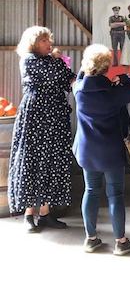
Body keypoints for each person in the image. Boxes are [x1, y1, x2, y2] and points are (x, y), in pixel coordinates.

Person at [73, 44, 130, 255]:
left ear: (87, 66)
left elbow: (79, 77)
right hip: (112, 152)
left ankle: (91, 238)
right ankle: (121, 242)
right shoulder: (114, 93)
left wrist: (87, 69)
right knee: (116, 195)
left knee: (91, 191)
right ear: (107, 67)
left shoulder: (78, 90)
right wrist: (123, 78)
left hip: (87, 151)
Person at [8, 26, 76, 232]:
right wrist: (58, 62)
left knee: (52, 161)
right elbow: (53, 74)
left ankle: (45, 214)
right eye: (45, 41)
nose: (49, 44)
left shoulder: (52, 61)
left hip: (55, 116)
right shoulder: (29, 59)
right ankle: (29, 214)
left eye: (49, 40)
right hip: (35, 116)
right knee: (32, 159)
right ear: (34, 43)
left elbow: (69, 78)